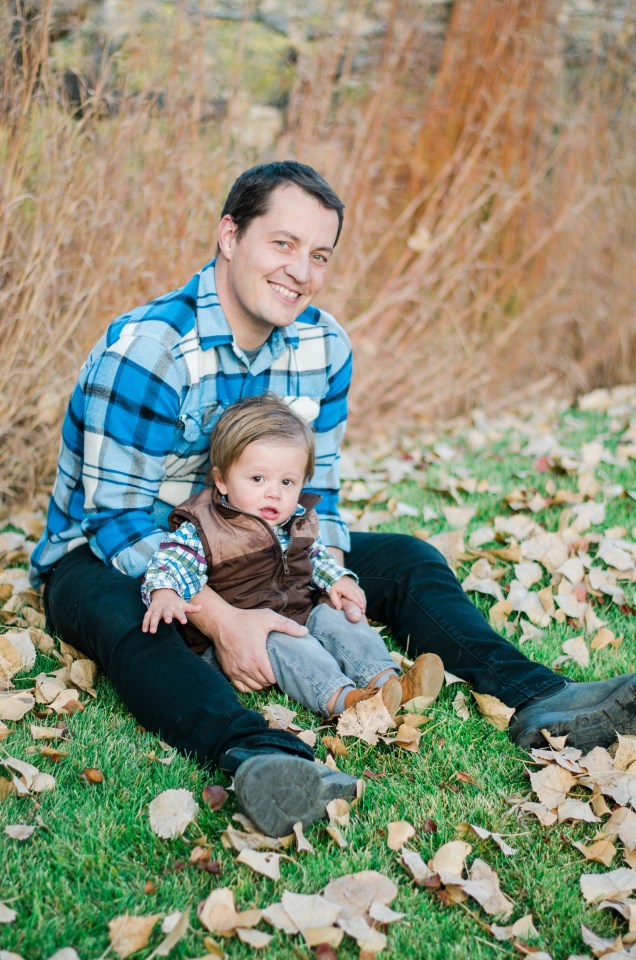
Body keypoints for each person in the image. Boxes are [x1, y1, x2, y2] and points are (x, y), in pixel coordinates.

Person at [30, 160, 636, 836]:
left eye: (319, 255)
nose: (301, 270)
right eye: (283, 243)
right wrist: (223, 618)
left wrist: (336, 575)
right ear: (230, 236)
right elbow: (114, 520)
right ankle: (260, 757)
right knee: (135, 617)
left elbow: (318, 494)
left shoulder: (323, 346)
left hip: (264, 546)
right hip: (115, 554)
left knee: (406, 559)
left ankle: (543, 699)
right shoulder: (152, 351)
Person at [141, 393, 445, 719]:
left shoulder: (295, 520)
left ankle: (387, 681)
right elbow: (168, 564)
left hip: (299, 612)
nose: (274, 492)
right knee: (288, 644)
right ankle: (347, 702)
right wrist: (164, 593)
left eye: (287, 482)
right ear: (222, 480)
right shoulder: (204, 527)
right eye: (258, 479)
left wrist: (338, 579)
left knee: (338, 616)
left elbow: (316, 556)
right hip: (252, 633)